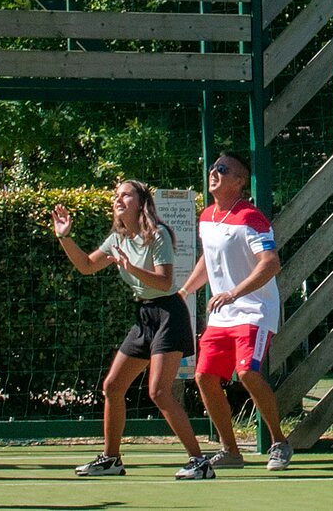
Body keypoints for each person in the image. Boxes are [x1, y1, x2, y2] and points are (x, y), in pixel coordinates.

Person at [51, 180, 212, 480]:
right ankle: (111, 459)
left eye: (126, 194)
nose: (118, 198)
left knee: (160, 391)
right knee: (113, 386)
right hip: (144, 317)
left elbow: (164, 283)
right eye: (116, 195)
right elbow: (86, 265)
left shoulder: (158, 234)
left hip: (169, 314)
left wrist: (131, 267)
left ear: (141, 202)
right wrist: (65, 237)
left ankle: (200, 462)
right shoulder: (117, 238)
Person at [178, 152, 292, 471]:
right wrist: (185, 291)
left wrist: (233, 293)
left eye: (223, 169)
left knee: (247, 373)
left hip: (254, 311)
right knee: (204, 377)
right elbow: (209, 260)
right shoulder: (207, 217)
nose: (214, 172)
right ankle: (230, 451)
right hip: (221, 316)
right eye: (213, 167)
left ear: (239, 181)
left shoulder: (250, 218)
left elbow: (271, 263)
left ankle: (279, 443)